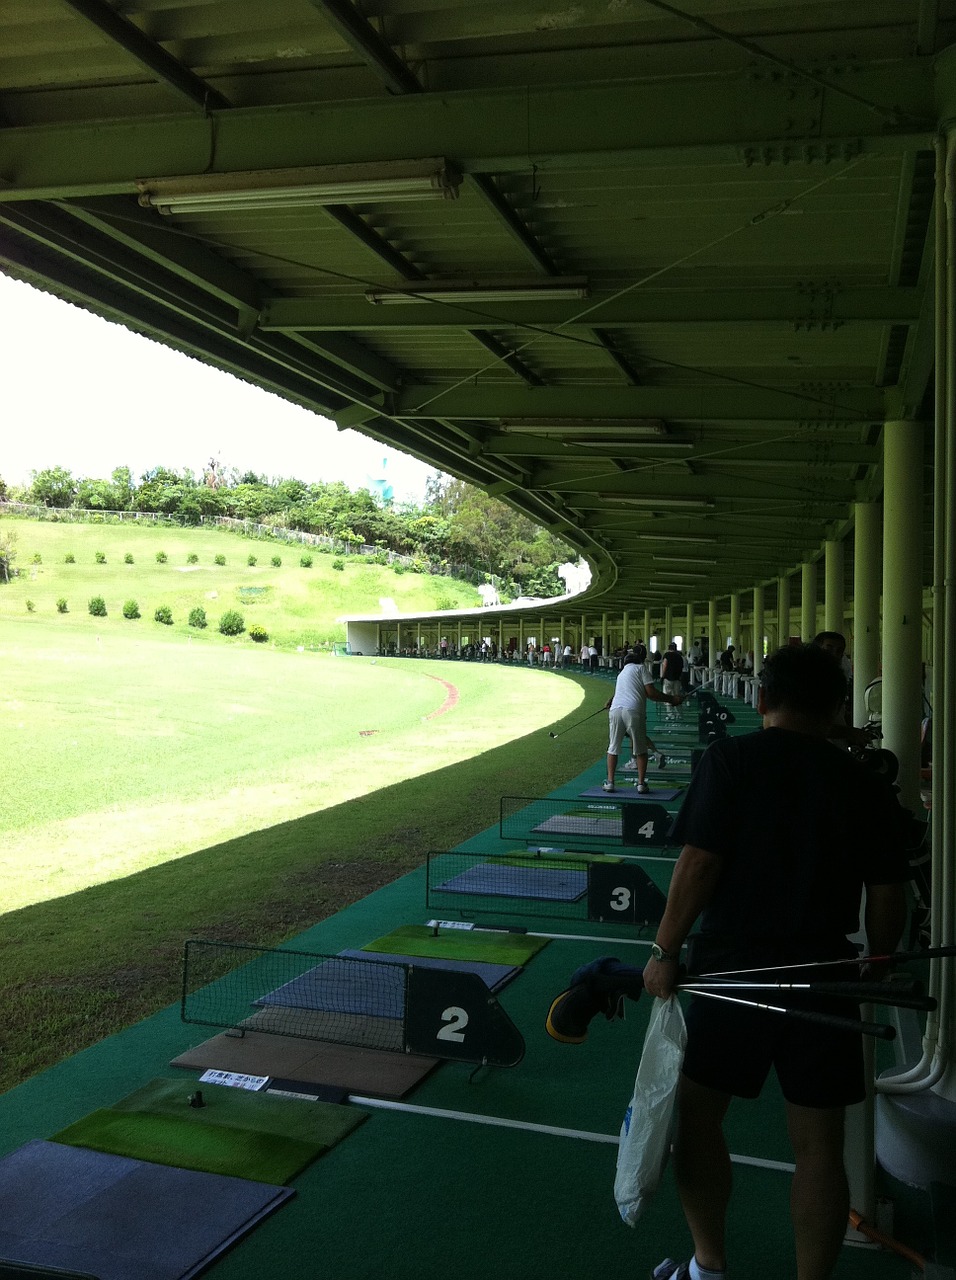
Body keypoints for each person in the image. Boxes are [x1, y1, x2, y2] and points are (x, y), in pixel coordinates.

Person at [642, 644, 909, 1280]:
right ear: (838, 709)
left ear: (762, 698)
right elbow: (887, 891)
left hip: (733, 970)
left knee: (700, 1122)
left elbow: (699, 864)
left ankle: (709, 1267)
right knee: (819, 1147)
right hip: (825, 973)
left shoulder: (730, 759)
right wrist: (875, 960)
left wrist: (664, 951)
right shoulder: (861, 782)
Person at [602, 652, 683, 793]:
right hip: (633, 710)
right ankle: (640, 784)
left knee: (613, 747)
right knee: (640, 749)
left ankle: (610, 782)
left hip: (615, 710)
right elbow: (651, 693)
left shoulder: (622, 673)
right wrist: (672, 700)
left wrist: (611, 700)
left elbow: (622, 691)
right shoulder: (641, 668)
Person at [810, 631, 874, 749]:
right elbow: (810, 725)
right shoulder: (809, 681)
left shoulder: (834, 679)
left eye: (839, 651)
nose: (834, 654)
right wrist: (850, 732)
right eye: (828, 649)